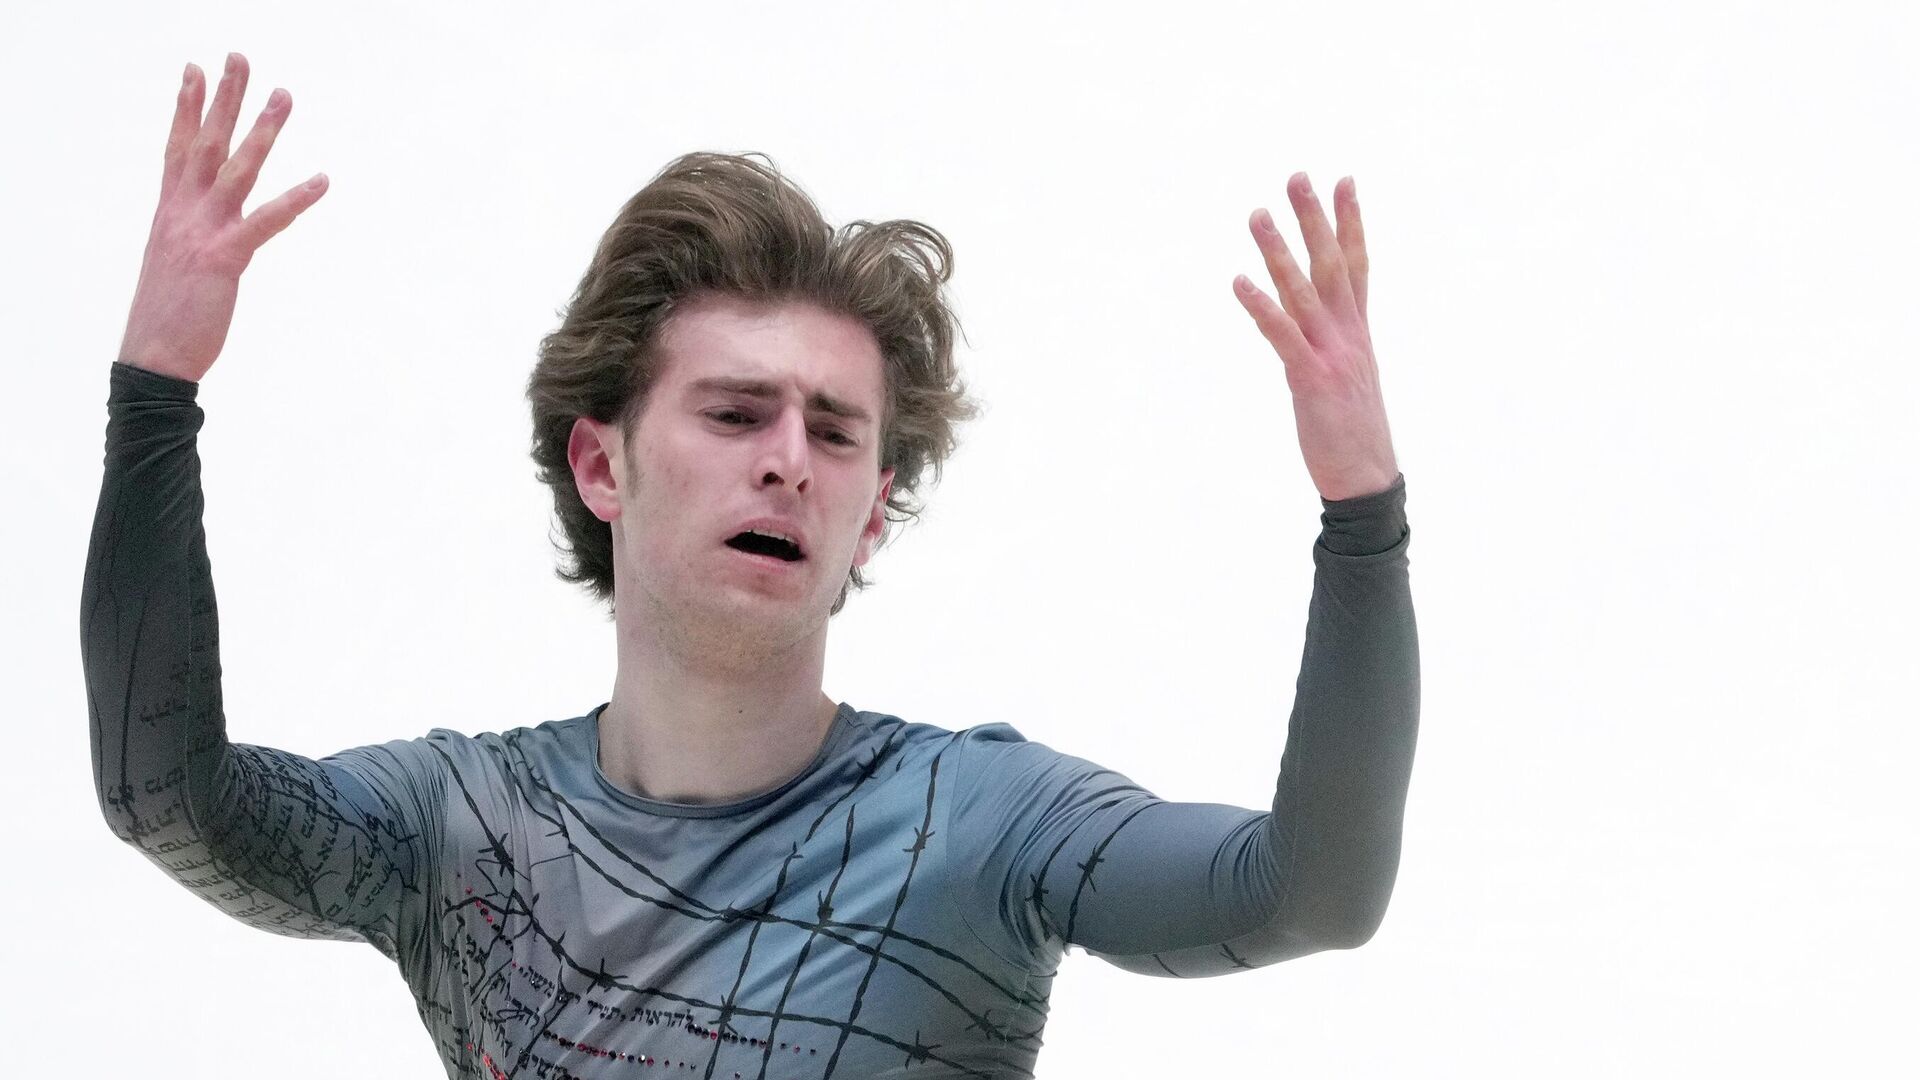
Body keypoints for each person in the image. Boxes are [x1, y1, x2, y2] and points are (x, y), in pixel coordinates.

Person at [82, 51, 1418, 1080]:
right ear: (602, 465)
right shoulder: (466, 827)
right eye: (734, 413)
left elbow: (1312, 895)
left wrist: (1363, 513)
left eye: (834, 433)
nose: (789, 461)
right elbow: (164, 800)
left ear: (874, 514)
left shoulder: (979, 823)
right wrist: (155, 392)